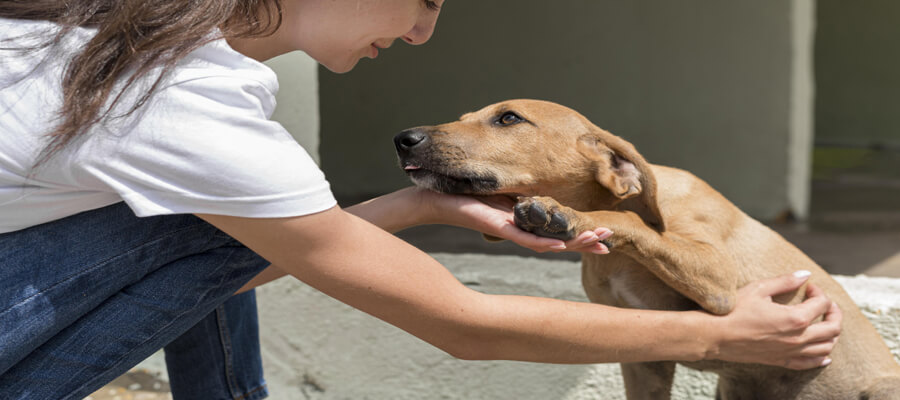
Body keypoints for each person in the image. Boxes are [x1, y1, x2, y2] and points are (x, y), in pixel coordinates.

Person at [0, 0, 842, 399]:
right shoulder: (176, 100)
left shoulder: (123, 46)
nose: (421, 34)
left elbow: (246, 259)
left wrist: (417, 208)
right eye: (425, 0)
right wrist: (723, 334)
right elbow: (459, 324)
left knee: (234, 220)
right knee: (224, 216)